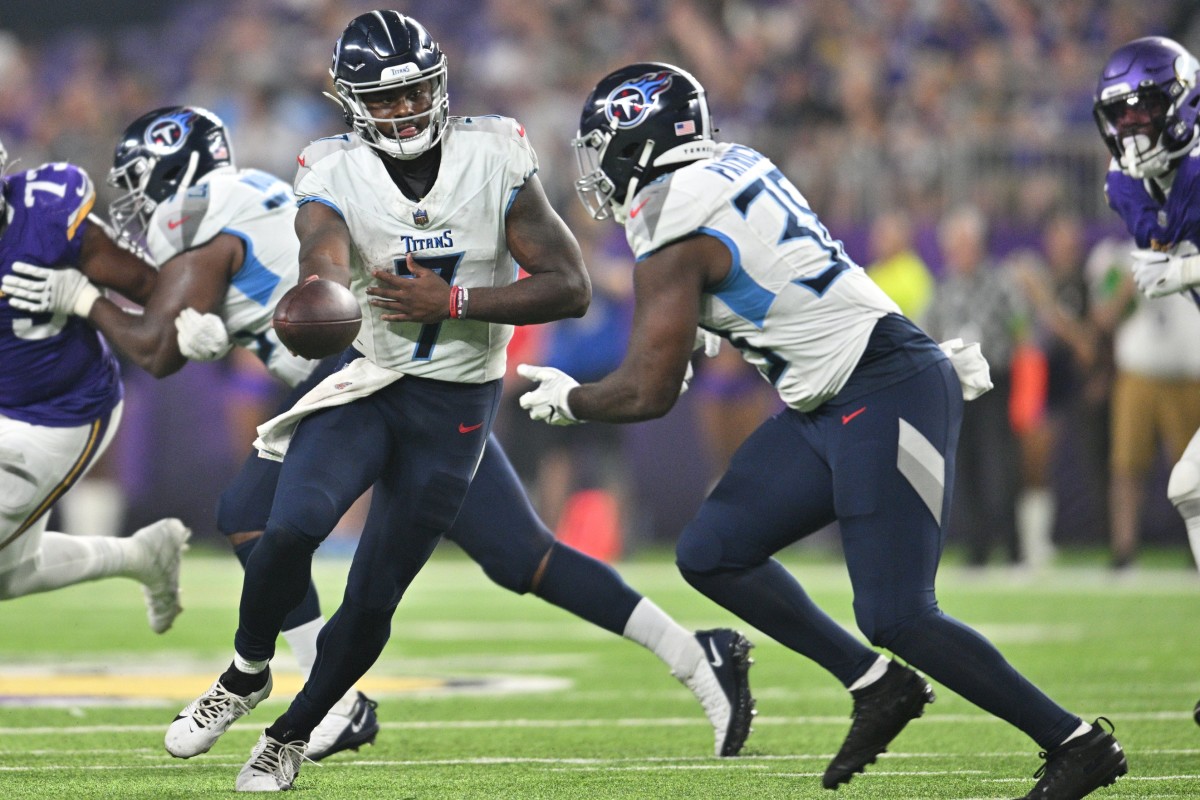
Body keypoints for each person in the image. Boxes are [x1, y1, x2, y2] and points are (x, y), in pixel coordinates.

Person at [136, 13, 752, 791]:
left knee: (405, 585)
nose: (403, 112)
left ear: (440, 84)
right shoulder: (330, 167)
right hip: (369, 380)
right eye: (383, 101)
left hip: (455, 406)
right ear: (352, 104)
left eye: (415, 92)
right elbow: (320, 246)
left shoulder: (493, 152)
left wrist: (454, 301)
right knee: (282, 522)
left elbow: (570, 285)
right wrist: (319, 287)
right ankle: (246, 672)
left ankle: (293, 732)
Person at [517, 61, 1128, 798]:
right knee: (713, 550)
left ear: (640, 139)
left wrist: (574, 400)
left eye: (603, 145)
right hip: (836, 395)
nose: (597, 169)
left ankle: (1075, 742)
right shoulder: (735, 162)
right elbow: (764, 277)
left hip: (883, 387)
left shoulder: (670, 217)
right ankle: (876, 687)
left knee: (899, 612)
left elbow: (647, 393)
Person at [0, 137, 190, 633]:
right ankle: (141, 555)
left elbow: (154, 290)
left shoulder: (43, 214)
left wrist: (84, 298)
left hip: (61, 410)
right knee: (6, 576)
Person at [1093, 35, 1200, 724]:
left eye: (1147, 108)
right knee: (1188, 485)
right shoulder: (1125, 184)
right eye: (1121, 114)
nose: (1133, 126)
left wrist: (1189, 270)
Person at [922, 205, 1029, 568]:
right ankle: (977, 549)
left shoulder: (1000, 281)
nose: (958, 251)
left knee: (1000, 466)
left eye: (963, 243)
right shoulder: (944, 285)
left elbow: (1023, 327)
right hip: (956, 386)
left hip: (994, 380)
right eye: (953, 244)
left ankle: (1014, 548)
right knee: (964, 468)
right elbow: (926, 331)